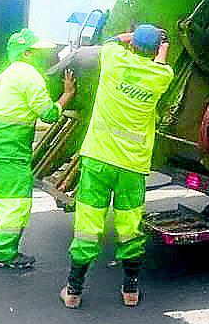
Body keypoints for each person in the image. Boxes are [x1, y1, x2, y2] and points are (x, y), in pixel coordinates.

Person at [59, 24, 173, 308]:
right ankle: (130, 291)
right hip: (132, 167)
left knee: (88, 227)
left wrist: (130, 35)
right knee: (129, 229)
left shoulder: (113, 59)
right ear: (156, 50)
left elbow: (110, 41)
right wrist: (162, 47)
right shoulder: (161, 76)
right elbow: (160, 63)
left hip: (98, 160)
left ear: (132, 44)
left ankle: (73, 291)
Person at [0, 28, 76, 269]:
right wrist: (67, 94)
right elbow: (50, 114)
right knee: (15, 202)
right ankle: (3, 253)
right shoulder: (30, 76)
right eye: (42, 52)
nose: (47, 56)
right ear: (28, 53)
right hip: (7, 148)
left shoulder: (8, 73)